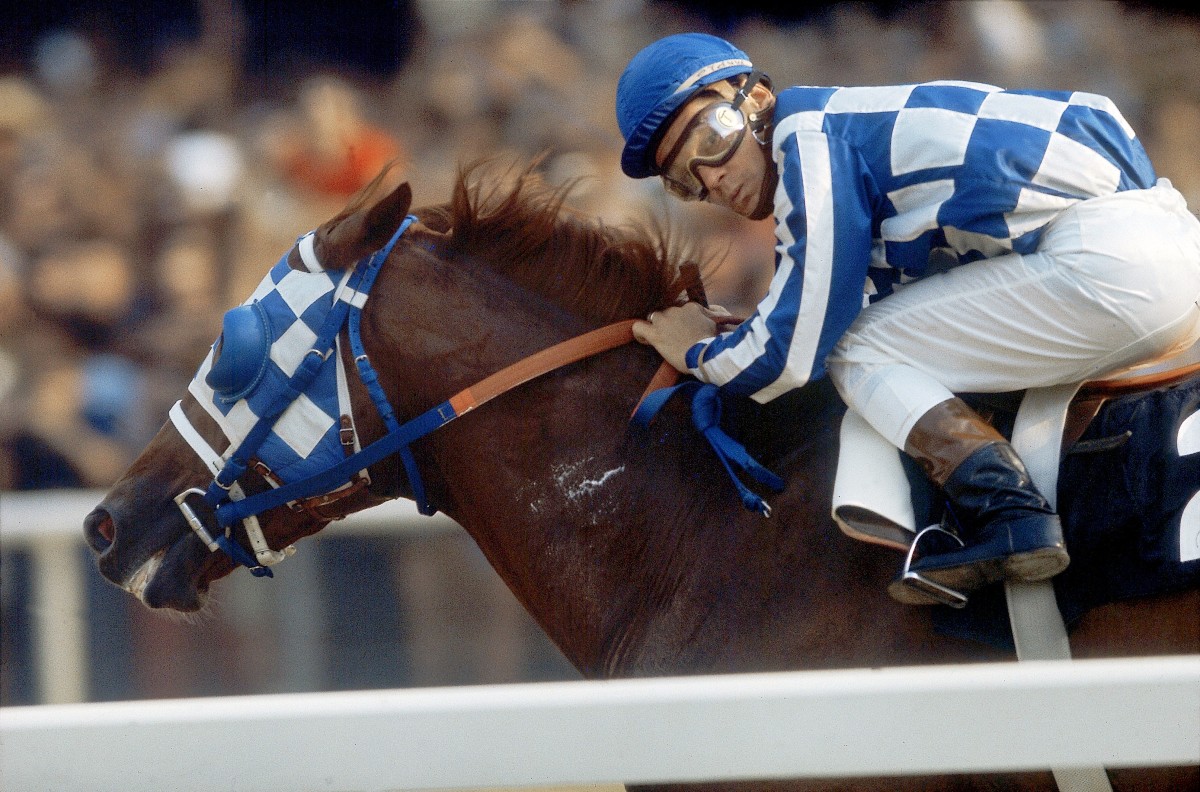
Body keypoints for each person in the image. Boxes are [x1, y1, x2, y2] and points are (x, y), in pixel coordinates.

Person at [616, 32, 1200, 603]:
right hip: (1163, 243)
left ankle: (1009, 514)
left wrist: (700, 353)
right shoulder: (856, 129)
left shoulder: (810, 139)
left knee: (857, 350)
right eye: (684, 180)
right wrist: (745, 333)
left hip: (1110, 265)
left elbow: (801, 350)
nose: (711, 178)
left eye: (711, 139)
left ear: (759, 98)